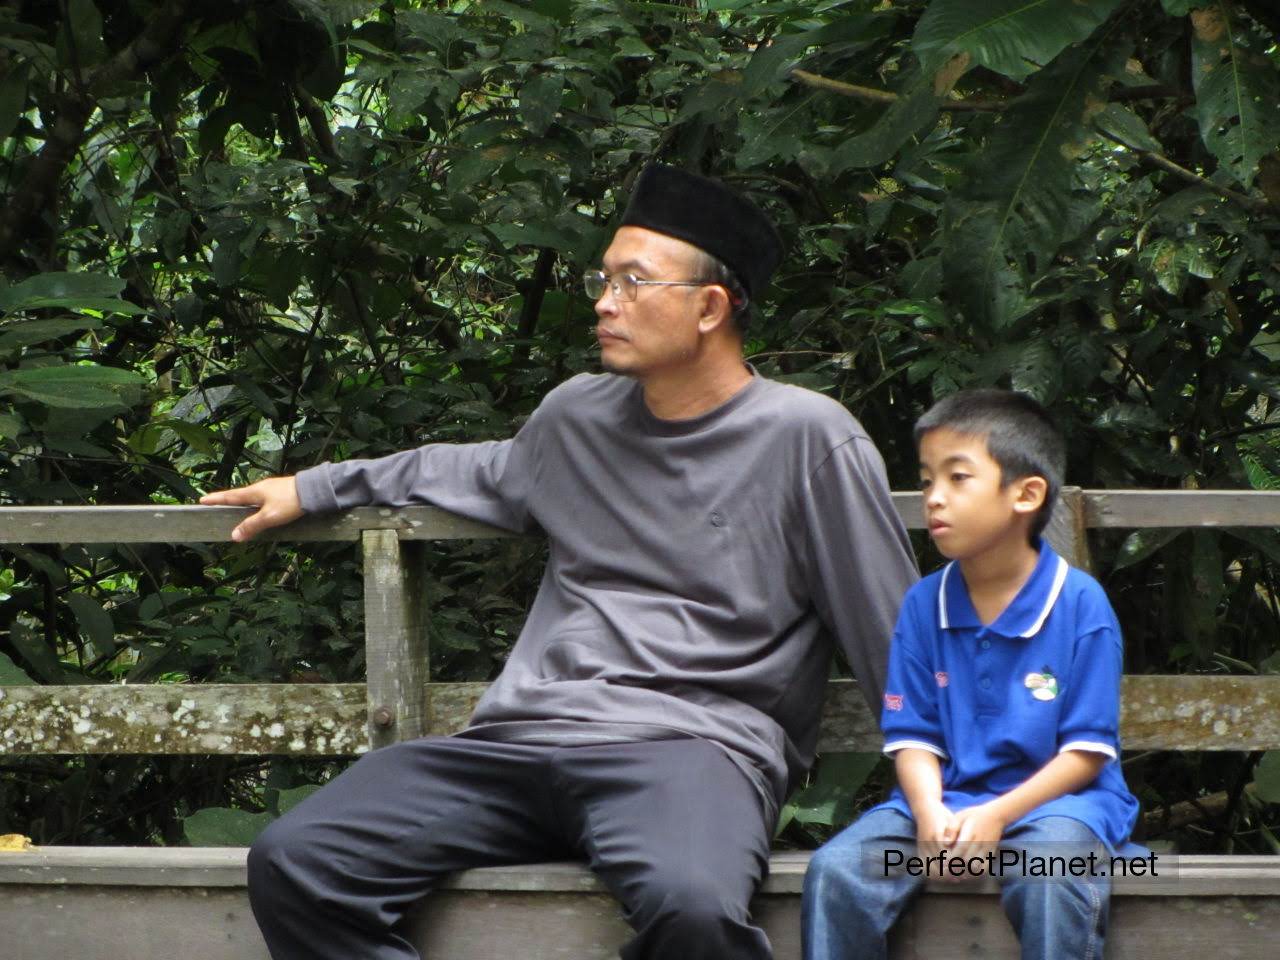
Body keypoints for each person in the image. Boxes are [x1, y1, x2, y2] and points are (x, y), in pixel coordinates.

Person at [200, 163, 918, 960]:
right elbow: (464, 470)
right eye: (603, 280)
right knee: (298, 860)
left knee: (695, 910)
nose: (607, 303)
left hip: (691, 750)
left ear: (712, 307)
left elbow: (891, 629)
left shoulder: (808, 438)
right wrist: (314, 485)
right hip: (521, 740)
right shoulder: (575, 418)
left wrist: (980, 786)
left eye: (635, 282)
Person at [802, 389, 1141, 960]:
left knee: (1049, 871)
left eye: (958, 479)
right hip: (945, 802)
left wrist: (996, 816)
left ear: (1026, 495)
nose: (933, 499)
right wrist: (932, 814)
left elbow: (1086, 752)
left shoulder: (1080, 606)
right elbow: (912, 736)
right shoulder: (922, 605)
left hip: (1064, 808)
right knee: (838, 871)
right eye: (928, 479)